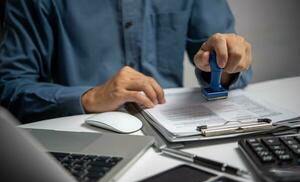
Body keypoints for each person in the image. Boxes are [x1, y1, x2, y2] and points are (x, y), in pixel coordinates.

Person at [0, 0, 252, 123]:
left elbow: (236, 69)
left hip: (178, 128)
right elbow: (9, 86)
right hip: (81, 131)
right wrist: (90, 98)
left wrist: (223, 69)